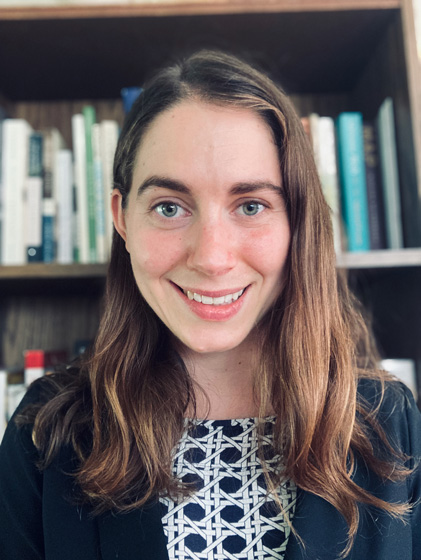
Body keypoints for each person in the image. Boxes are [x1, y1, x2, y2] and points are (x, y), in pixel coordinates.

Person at [0, 50, 420, 560]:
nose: (213, 258)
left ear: (297, 222)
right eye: (169, 207)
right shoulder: (46, 432)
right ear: (122, 218)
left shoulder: (389, 423)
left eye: (251, 205)